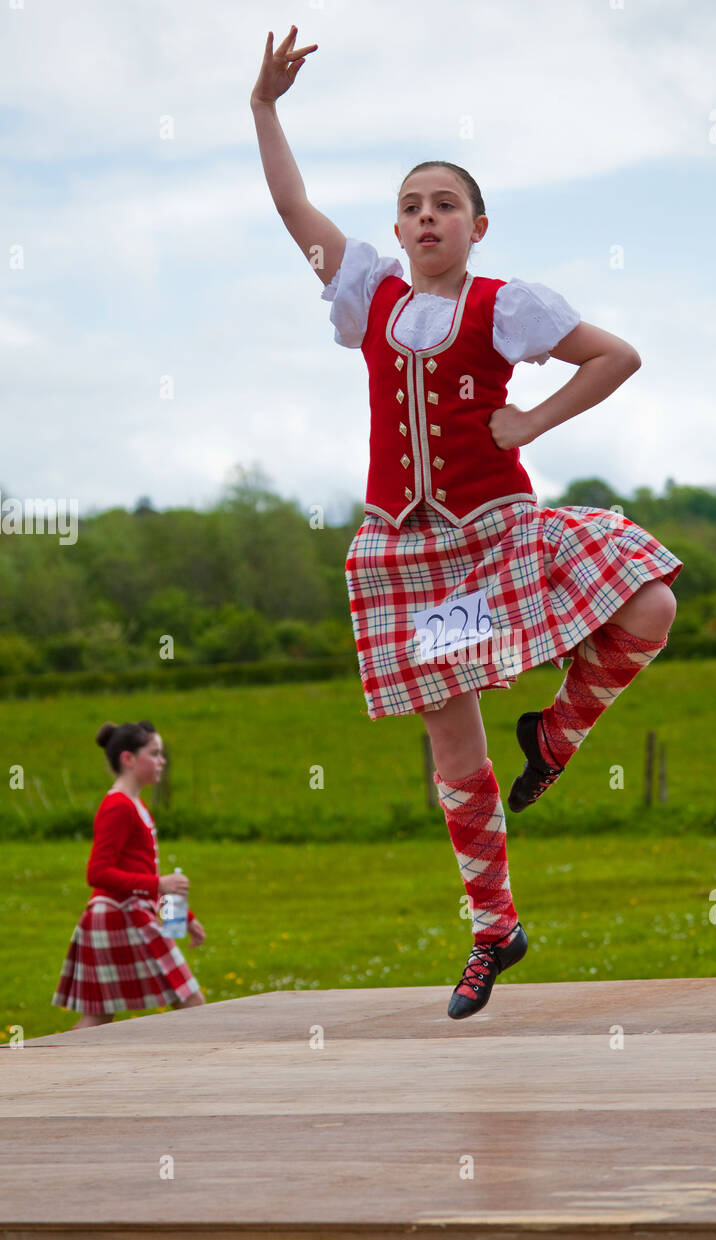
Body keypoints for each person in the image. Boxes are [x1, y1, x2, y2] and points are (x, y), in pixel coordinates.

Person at [251, 29, 683, 1020]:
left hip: (499, 532)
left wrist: (532, 418)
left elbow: (616, 356)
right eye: (411, 205)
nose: (425, 216)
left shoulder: (506, 306)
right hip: (413, 552)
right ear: (396, 230)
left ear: (478, 224)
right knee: (453, 748)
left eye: (444, 202)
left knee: (651, 599)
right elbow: (289, 207)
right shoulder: (367, 296)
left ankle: (560, 732)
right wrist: (265, 109)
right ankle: (495, 928)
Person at [52, 721, 206, 1029]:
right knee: (192, 1003)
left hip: (127, 914)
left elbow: (140, 874)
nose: (162, 760)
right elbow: (98, 873)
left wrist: (185, 917)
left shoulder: (136, 805)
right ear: (129, 759)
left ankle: (57, 1067)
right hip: (119, 916)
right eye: (155, 753)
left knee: (98, 1016)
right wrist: (160, 883)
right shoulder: (117, 806)